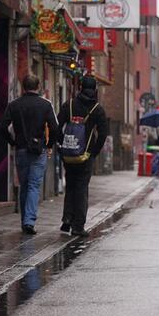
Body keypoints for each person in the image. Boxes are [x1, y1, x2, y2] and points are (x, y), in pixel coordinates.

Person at [0, 74, 59, 235]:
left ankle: (25, 220)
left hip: (21, 150)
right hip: (38, 150)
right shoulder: (45, 105)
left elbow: (2, 126)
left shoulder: (14, 105)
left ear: (22, 87)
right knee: (34, 185)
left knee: (25, 185)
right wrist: (49, 144)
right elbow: (54, 128)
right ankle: (29, 221)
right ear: (38, 86)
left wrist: (12, 142)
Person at [57, 76, 108, 237]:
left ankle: (67, 219)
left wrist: (62, 145)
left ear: (80, 87)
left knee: (70, 186)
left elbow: (57, 126)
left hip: (69, 154)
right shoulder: (97, 109)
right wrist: (94, 152)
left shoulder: (69, 105)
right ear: (94, 90)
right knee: (81, 189)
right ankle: (78, 226)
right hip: (85, 156)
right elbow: (103, 134)